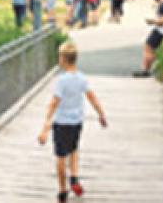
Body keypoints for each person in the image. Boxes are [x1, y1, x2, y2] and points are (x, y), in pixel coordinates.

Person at [37, 42, 107, 203]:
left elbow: (54, 102)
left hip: (61, 123)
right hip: (76, 122)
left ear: (62, 59)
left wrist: (46, 125)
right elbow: (92, 97)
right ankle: (74, 177)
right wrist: (101, 114)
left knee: (60, 157)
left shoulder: (61, 81)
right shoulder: (81, 78)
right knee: (74, 149)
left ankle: (62, 190)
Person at [134, 0, 163, 77]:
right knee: (148, 47)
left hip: (160, 31)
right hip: (159, 30)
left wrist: (152, 21)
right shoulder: (162, 4)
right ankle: (147, 68)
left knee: (148, 48)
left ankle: (146, 70)